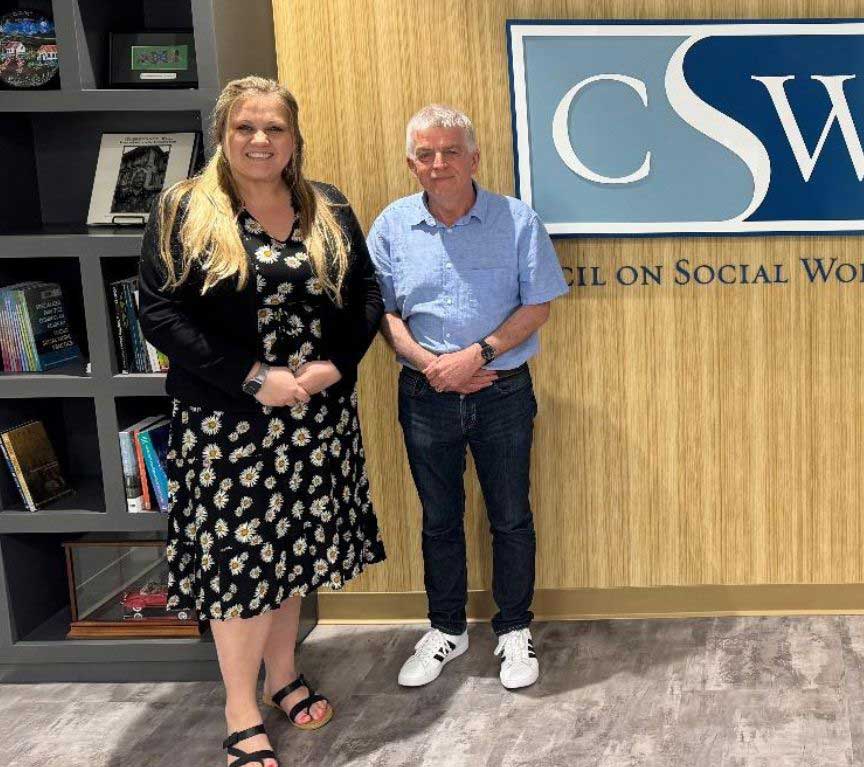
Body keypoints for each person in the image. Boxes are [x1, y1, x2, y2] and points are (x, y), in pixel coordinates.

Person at [139, 76, 386, 767]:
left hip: (315, 417)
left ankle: (283, 678)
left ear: (294, 139)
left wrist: (332, 366)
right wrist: (254, 377)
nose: (259, 139)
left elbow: (366, 294)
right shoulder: (184, 209)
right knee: (239, 567)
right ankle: (240, 708)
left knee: (292, 553)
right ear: (223, 134)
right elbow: (159, 314)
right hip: (228, 426)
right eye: (245, 126)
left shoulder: (326, 206)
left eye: (274, 128)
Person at [368, 104, 569, 691]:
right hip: (425, 392)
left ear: (474, 158)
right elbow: (382, 310)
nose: (438, 164)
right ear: (412, 163)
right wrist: (434, 366)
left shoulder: (517, 220)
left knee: (510, 517)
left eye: (450, 151)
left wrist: (474, 357)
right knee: (439, 519)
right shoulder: (392, 224)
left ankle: (512, 630)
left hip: (502, 390)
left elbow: (539, 306)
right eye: (425, 154)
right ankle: (447, 630)